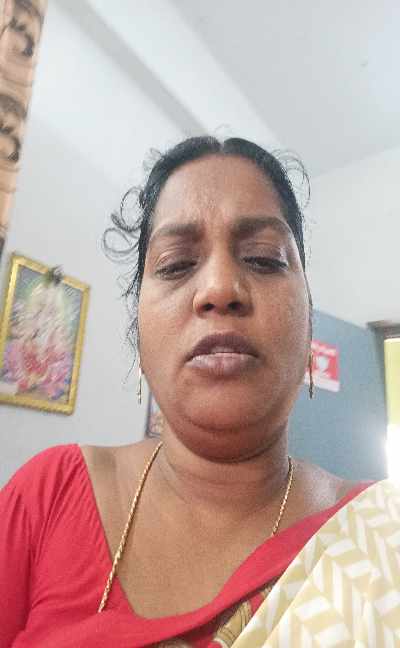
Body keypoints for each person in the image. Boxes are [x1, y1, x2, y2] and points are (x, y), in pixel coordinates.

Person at [1, 137, 398, 647]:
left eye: (263, 258)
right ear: (140, 333)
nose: (219, 289)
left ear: (308, 325)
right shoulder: (49, 495)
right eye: (175, 264)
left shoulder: (385, 539)